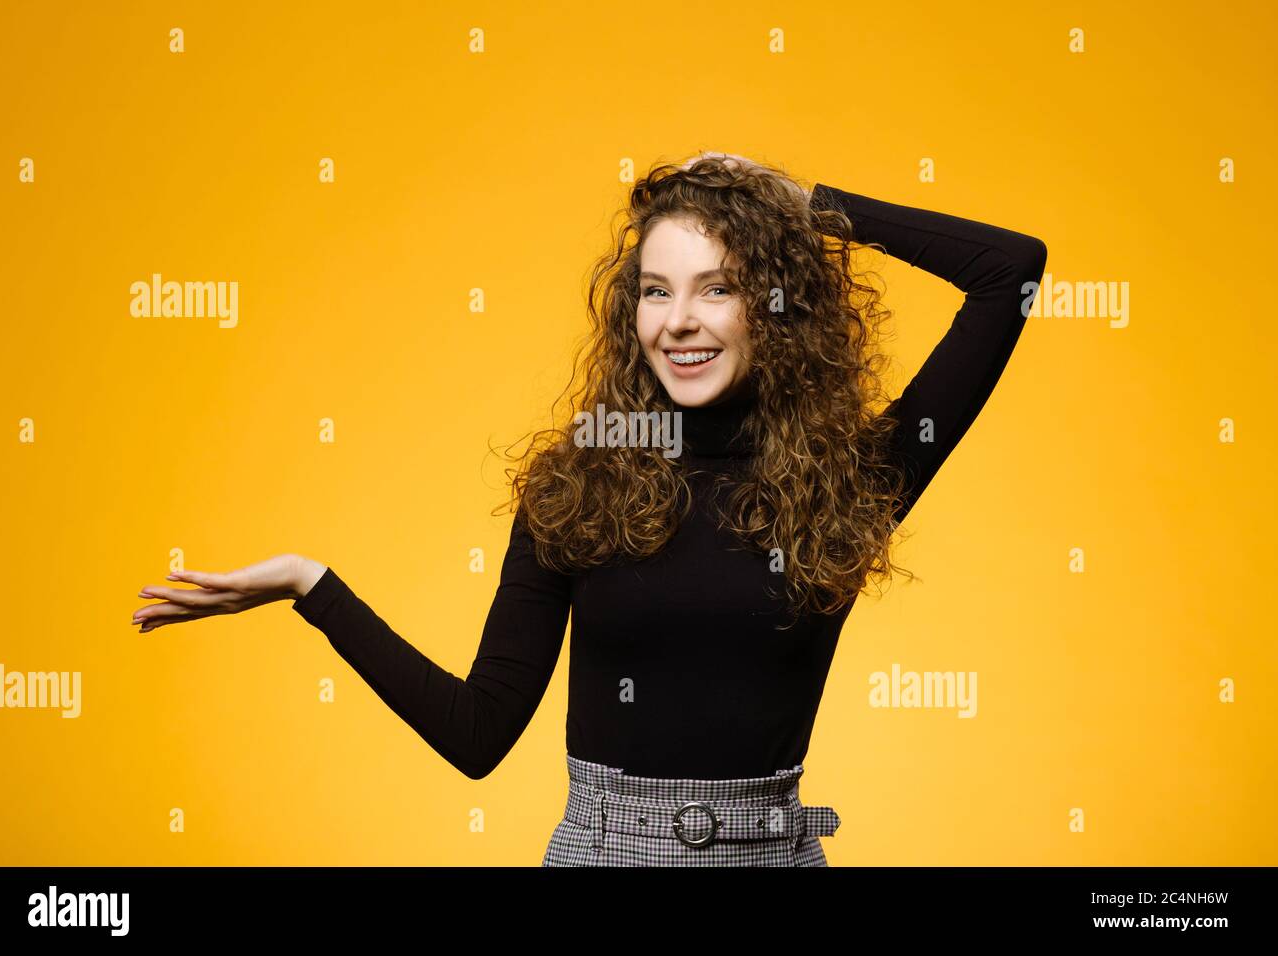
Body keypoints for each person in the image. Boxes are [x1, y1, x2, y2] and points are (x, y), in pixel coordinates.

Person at [131, 153, 1047, 866]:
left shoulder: (844, 481)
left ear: (775, 307)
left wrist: (793, 203)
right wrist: (311, 586)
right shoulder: (578, 484)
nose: (677, 321)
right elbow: (478, 734)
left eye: (716, 286)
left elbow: (1011, 270)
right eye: (656, 291)